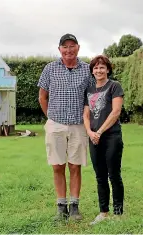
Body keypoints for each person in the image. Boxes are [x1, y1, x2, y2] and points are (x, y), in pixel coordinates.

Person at [37, 33, 95, 221]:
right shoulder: (50, 69)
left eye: (72, 46)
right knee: (57, 166)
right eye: (65, 46)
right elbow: (42, 97)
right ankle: (61, 206)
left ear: (78, 47)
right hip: (56, 124)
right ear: (59, 49)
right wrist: (51, 118)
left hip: (78, 125)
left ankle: (75, 207)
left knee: (75, 166)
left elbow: (92, 98)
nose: (68, 50)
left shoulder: (87, 70)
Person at [83, 55, 124, 225]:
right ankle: (103, 212)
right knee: (100, 176)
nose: (98, 70)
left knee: (113, 175)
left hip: (111, 137)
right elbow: (86, 114)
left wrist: (99, 131)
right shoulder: (89, 89)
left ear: (108, 69)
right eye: (95, 68)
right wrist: (90, 132)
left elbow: (115, 112)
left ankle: (118, 213)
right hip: (94, 138)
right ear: (92, 71)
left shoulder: (114, 86)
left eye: (102, 67)